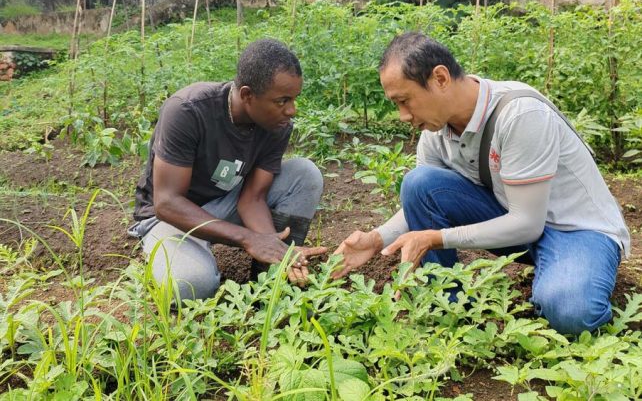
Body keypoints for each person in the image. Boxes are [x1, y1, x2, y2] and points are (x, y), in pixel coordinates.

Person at [334, 32, 630, 334]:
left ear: (440, 78)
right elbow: (422, 201)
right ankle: (446, 306)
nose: (402, 116)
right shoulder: (435, 133)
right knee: (419, 182)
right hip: (514, 222)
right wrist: (377, 239)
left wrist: (438, 238)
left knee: (570, 312)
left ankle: (574, 272)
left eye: (404, 101)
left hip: (576, 230)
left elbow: (528, 224)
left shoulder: (519, 115)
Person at [129, 38, 326, 301]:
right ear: (247, 95)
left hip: (224, 203)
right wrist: (247, 238)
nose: (292, 110)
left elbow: (253, 198)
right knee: (190, 285)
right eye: (282, 101)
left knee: (305, 173)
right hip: (171, 218)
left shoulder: (276, 126)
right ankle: (169, 254)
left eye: (294, 99)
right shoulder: (188, 111)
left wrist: (275, 247)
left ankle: (270, 277)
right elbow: (167, 203)